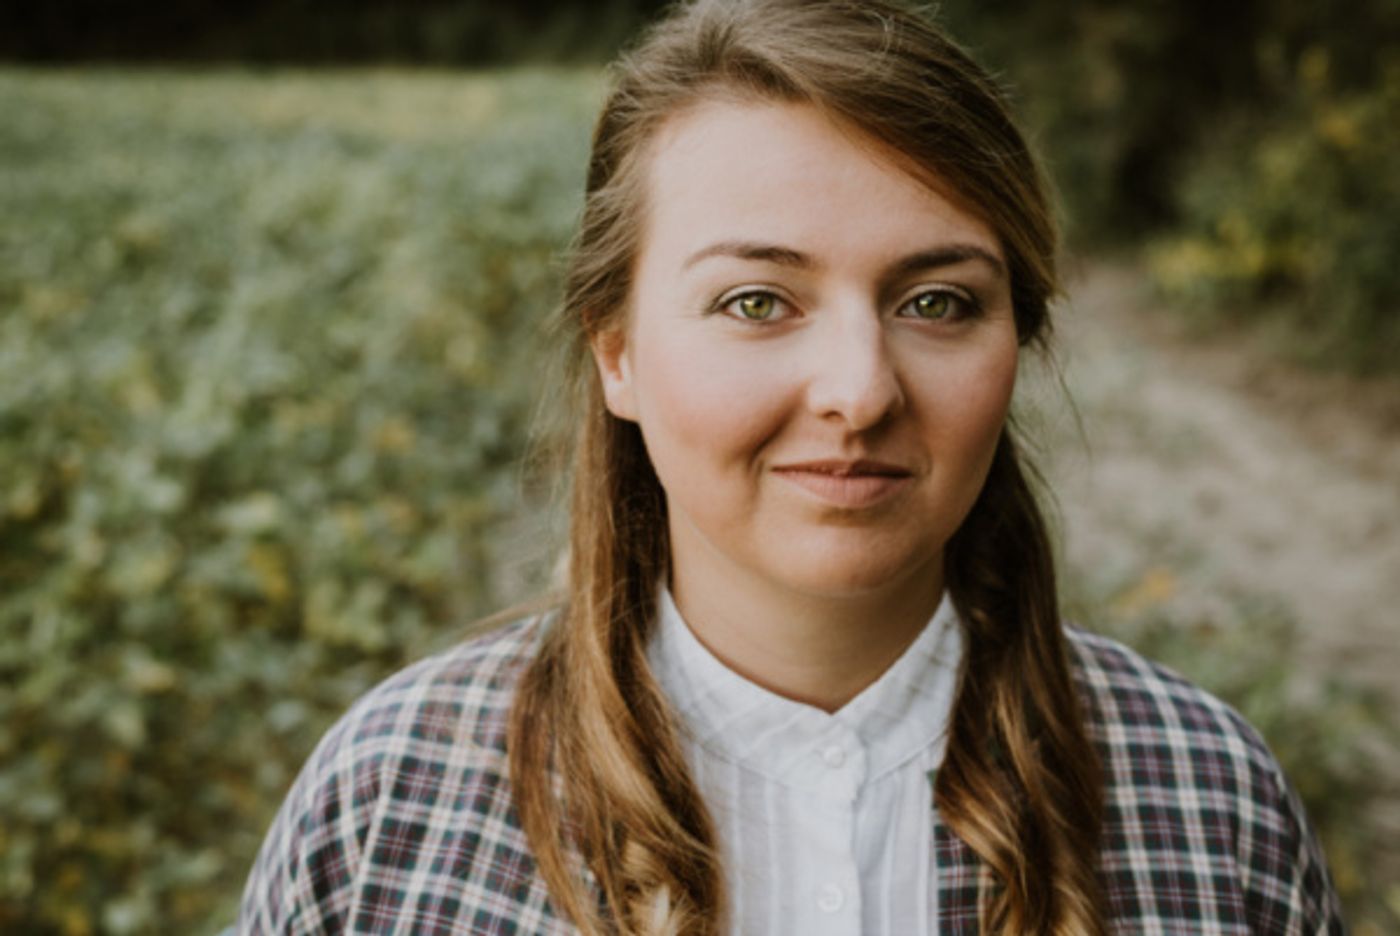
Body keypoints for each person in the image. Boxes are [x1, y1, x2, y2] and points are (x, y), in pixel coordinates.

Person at [236, 1, 1346, 933]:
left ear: (1018, 338)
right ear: (615, 351)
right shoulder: (390, 803)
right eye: (755, 301)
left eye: (936, 302)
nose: (858, 392)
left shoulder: (1207, 797)